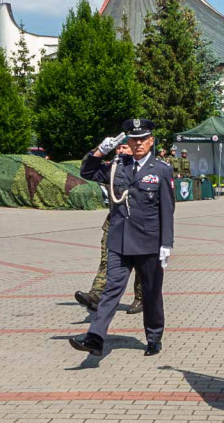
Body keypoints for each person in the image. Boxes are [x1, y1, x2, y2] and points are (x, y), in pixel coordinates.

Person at [70, 118, 174, 357]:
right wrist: (100, 150)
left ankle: (154, 337)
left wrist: (166, 243)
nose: (137, 144)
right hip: (119, 240)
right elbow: (87, 171)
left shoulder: (161, 170)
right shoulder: (118, 166)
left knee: (151, 294)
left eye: (142, 139)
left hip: (149, 243)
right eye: (133, 139)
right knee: (111, 291)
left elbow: (167, 210)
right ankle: (95, 339)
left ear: (151, 141)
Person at [74, 142, 145, 315]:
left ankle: (142, 298)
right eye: (118, 148)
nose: (120, 151)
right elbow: (86, 170)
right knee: (107, 261)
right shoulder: (111, 169)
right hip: (114, 225)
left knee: (141, 266)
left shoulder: (146, 169)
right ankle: (96, 296)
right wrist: (99, 150)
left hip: (139, 227)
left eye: (124, 148)